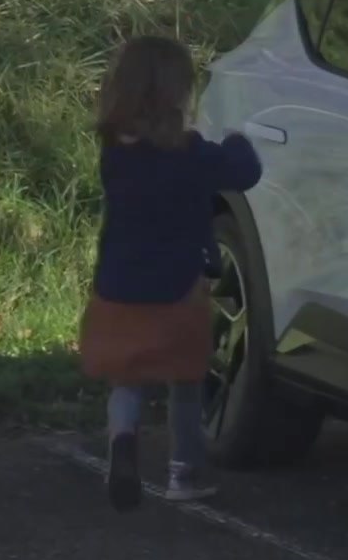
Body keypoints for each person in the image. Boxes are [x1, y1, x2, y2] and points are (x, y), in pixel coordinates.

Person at [77, 34, 263, 511]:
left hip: (118, 285)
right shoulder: (192, 154)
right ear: (177, 96)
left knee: (125, 379)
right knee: (185, 380)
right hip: (180, 288)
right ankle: (185, 472)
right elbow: (244, 172)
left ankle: (123, 441)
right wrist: (239, 140)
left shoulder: (114, 153)